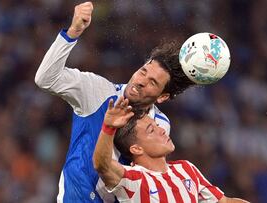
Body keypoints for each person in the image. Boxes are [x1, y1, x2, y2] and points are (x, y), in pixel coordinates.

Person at [35, 1, 194, 202]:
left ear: (162, 96)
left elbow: (149, 181)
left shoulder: (160, 126)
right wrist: (73, 31)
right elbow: (45, 79)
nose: (140, 81)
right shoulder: (98, 92)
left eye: (152, 82)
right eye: (143, 71)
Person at [93, 97, 267, 203]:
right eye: (151, 129)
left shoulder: (186, 169)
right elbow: (102, 165)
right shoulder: (134, 178)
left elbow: (224, 202)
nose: (161, 130)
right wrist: (109, 127)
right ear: (136, 148)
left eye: (157, 125)